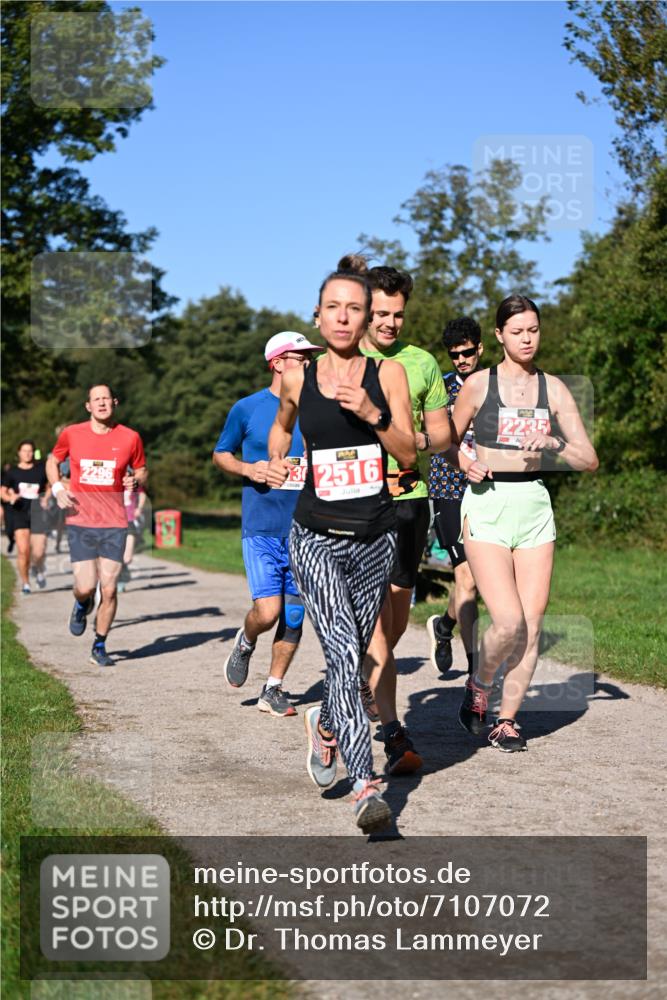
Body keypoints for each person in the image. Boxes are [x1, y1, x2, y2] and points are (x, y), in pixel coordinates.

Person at [266, 264, 416, 833]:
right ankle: (365, 786)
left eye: (355, 308)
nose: (345, 317)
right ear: (318, 314)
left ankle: (326, 722)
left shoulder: (390, 375)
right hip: (315, 535)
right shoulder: (297, 378)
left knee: (352, 660)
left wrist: (371, 413)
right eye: (334, 307)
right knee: (344, 655)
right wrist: (277, 459)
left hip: (374, 535)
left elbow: (407, 455)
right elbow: (281, 427)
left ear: (366, 315)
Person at [450, 295, 598, 751]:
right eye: (517, 332)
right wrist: (465, 462)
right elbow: (446, 442)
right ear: (499, 335)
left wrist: (553, 440)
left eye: (533, 329)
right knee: (508, 620)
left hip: (534, 504)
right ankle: (479, 685)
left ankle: (507, 721)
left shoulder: (553, 389)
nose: (527, 338)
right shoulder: (477, 385)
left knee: (531, 625)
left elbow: (588, 458)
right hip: (487, 502)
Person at [349, 257, 451, 775]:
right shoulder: (341, 359)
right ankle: (388, 726)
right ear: (366, 312)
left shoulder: (423, 363)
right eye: (382, 314)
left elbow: (445, 435)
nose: (390, 323)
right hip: (360, 503)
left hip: (410, 499)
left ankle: (367, 692)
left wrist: (414, 442)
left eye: (399, 315)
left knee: (394, 614)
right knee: (374, 627)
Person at [213, 331, 322, 717]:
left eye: (311, 358)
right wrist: (249, 468)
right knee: (268, 611)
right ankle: (246, 640)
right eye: (300, 358)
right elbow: (221, 453)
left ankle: (273, 688)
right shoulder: (247, 408)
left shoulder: (318, 408)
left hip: (306, 529)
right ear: (277, 363)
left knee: (293, 614)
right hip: (261, 526)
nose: (308, 364)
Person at [46, 385, 148, 667]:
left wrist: (136, 480)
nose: (102, 403)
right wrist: (57, 488)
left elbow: (141, 469)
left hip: (115, 522)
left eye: (106, 398)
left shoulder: (130, 437)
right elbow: (53, 460)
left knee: (111, 588)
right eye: (96, 399)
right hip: (81, 521)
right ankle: (81, 604)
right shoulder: (72, 434)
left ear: (114, 402)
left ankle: (100, 644)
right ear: (88, 406)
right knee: (85, 586)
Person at [427, 316, 484, 676]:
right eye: (454, 355)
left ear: (480, 348)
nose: (461, 360)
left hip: (490, 487)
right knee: (467, 578)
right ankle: (477, 670)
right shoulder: (441, 389)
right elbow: (433, 437)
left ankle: (445, 626)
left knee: (475, 580)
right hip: (449, 488)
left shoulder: (497, 385)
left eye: (466, 353)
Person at [1, 441, 50, 593]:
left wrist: (46, 498)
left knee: (39, 551)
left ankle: (38, 568)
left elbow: (49, 486)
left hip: (37, 513)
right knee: (23, 550)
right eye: (24, 451)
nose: (27, 454)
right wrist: (10, 498)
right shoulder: (12, 472)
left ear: (33, 453)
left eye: (30, 451)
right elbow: (2, 491)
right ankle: (26, 583)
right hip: (19, 513)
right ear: (19, 453)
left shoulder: (41, 469)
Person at [118, 475, 147, 592]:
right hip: (115, 522)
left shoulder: (133, 483)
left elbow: (142, 494)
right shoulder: (113, 482)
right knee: (116, 554)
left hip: (130, 521)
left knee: (127, 557)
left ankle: (124, 571)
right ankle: (120, 579)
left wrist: (139, 508)